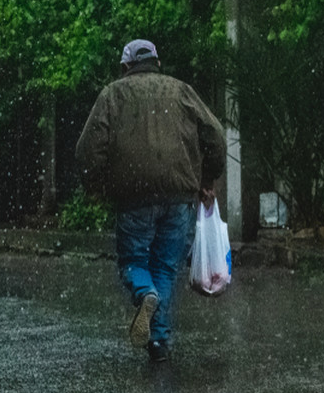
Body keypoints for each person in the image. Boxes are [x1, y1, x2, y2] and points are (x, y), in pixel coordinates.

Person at [75, 39, 225, 362]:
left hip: (134, 197)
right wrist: (207, 178)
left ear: (126, 67)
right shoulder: (183, 91)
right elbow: (215, 135)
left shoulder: (112, 95)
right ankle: (158, 340)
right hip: (178, 197)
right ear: (157, 62)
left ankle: (146, 295)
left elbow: (88, 149)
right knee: (165, 268)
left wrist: (95, 184)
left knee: (133, 262)